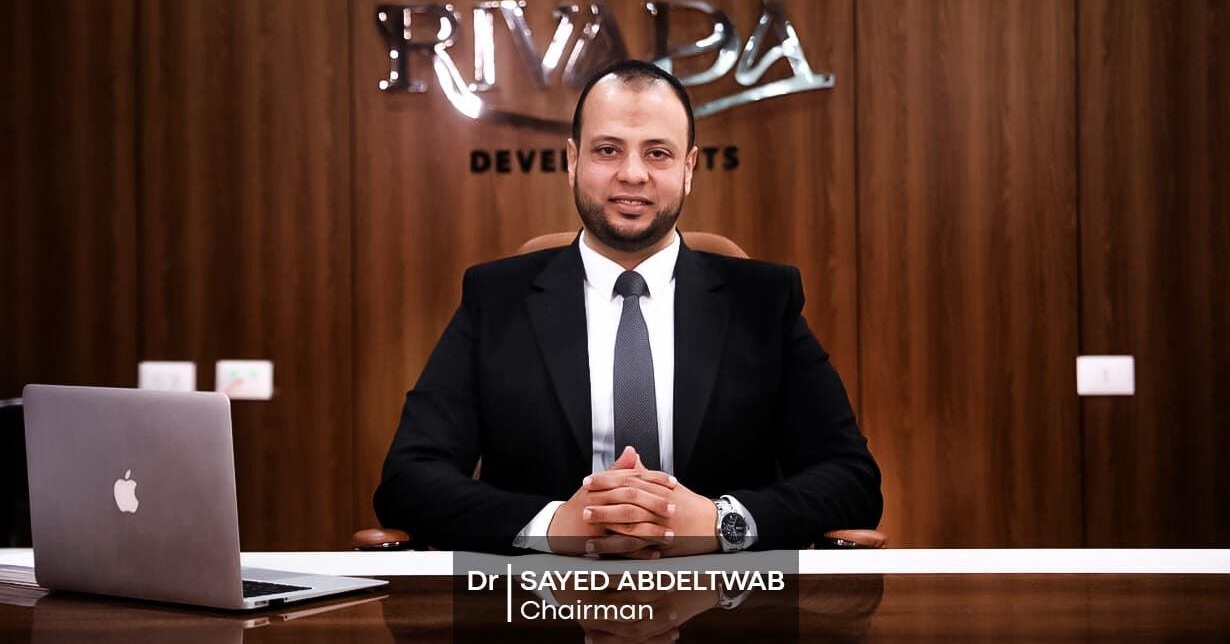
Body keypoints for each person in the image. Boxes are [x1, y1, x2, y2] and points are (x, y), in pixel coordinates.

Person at [374, 60, 881, 556]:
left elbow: (851, 478)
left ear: (688, 169)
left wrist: (719, 522)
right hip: (540, 598)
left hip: (728, 598)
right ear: (572, 161)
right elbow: (409, 478)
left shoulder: (764, 302)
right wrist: (553, 525)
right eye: (608, 150)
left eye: (658, 153)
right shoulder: (496, 299)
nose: (632, 174)